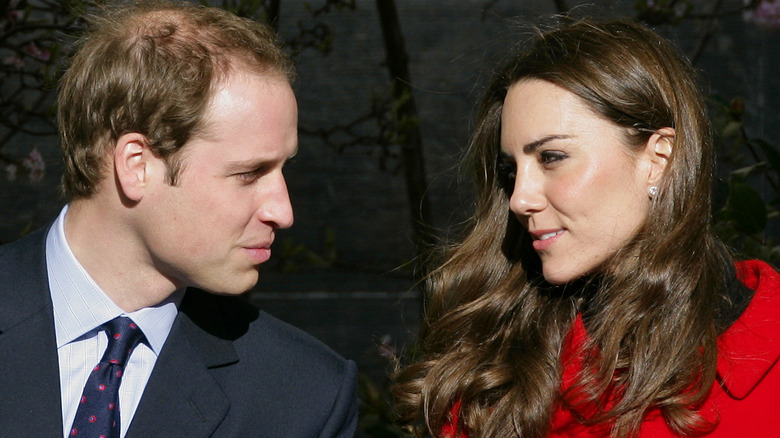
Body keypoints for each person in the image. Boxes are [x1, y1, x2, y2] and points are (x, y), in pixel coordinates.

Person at [393, 18, 780, 438]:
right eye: (510, 170)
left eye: (552, 157)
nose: (520, 198)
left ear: (658, 159)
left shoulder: (764, 357)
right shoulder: (493, 368)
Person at [0, 1, 357, 436]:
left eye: (284, 169)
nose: (282, 212)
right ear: (137, 165)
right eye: (248, 173)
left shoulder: (305, 398)